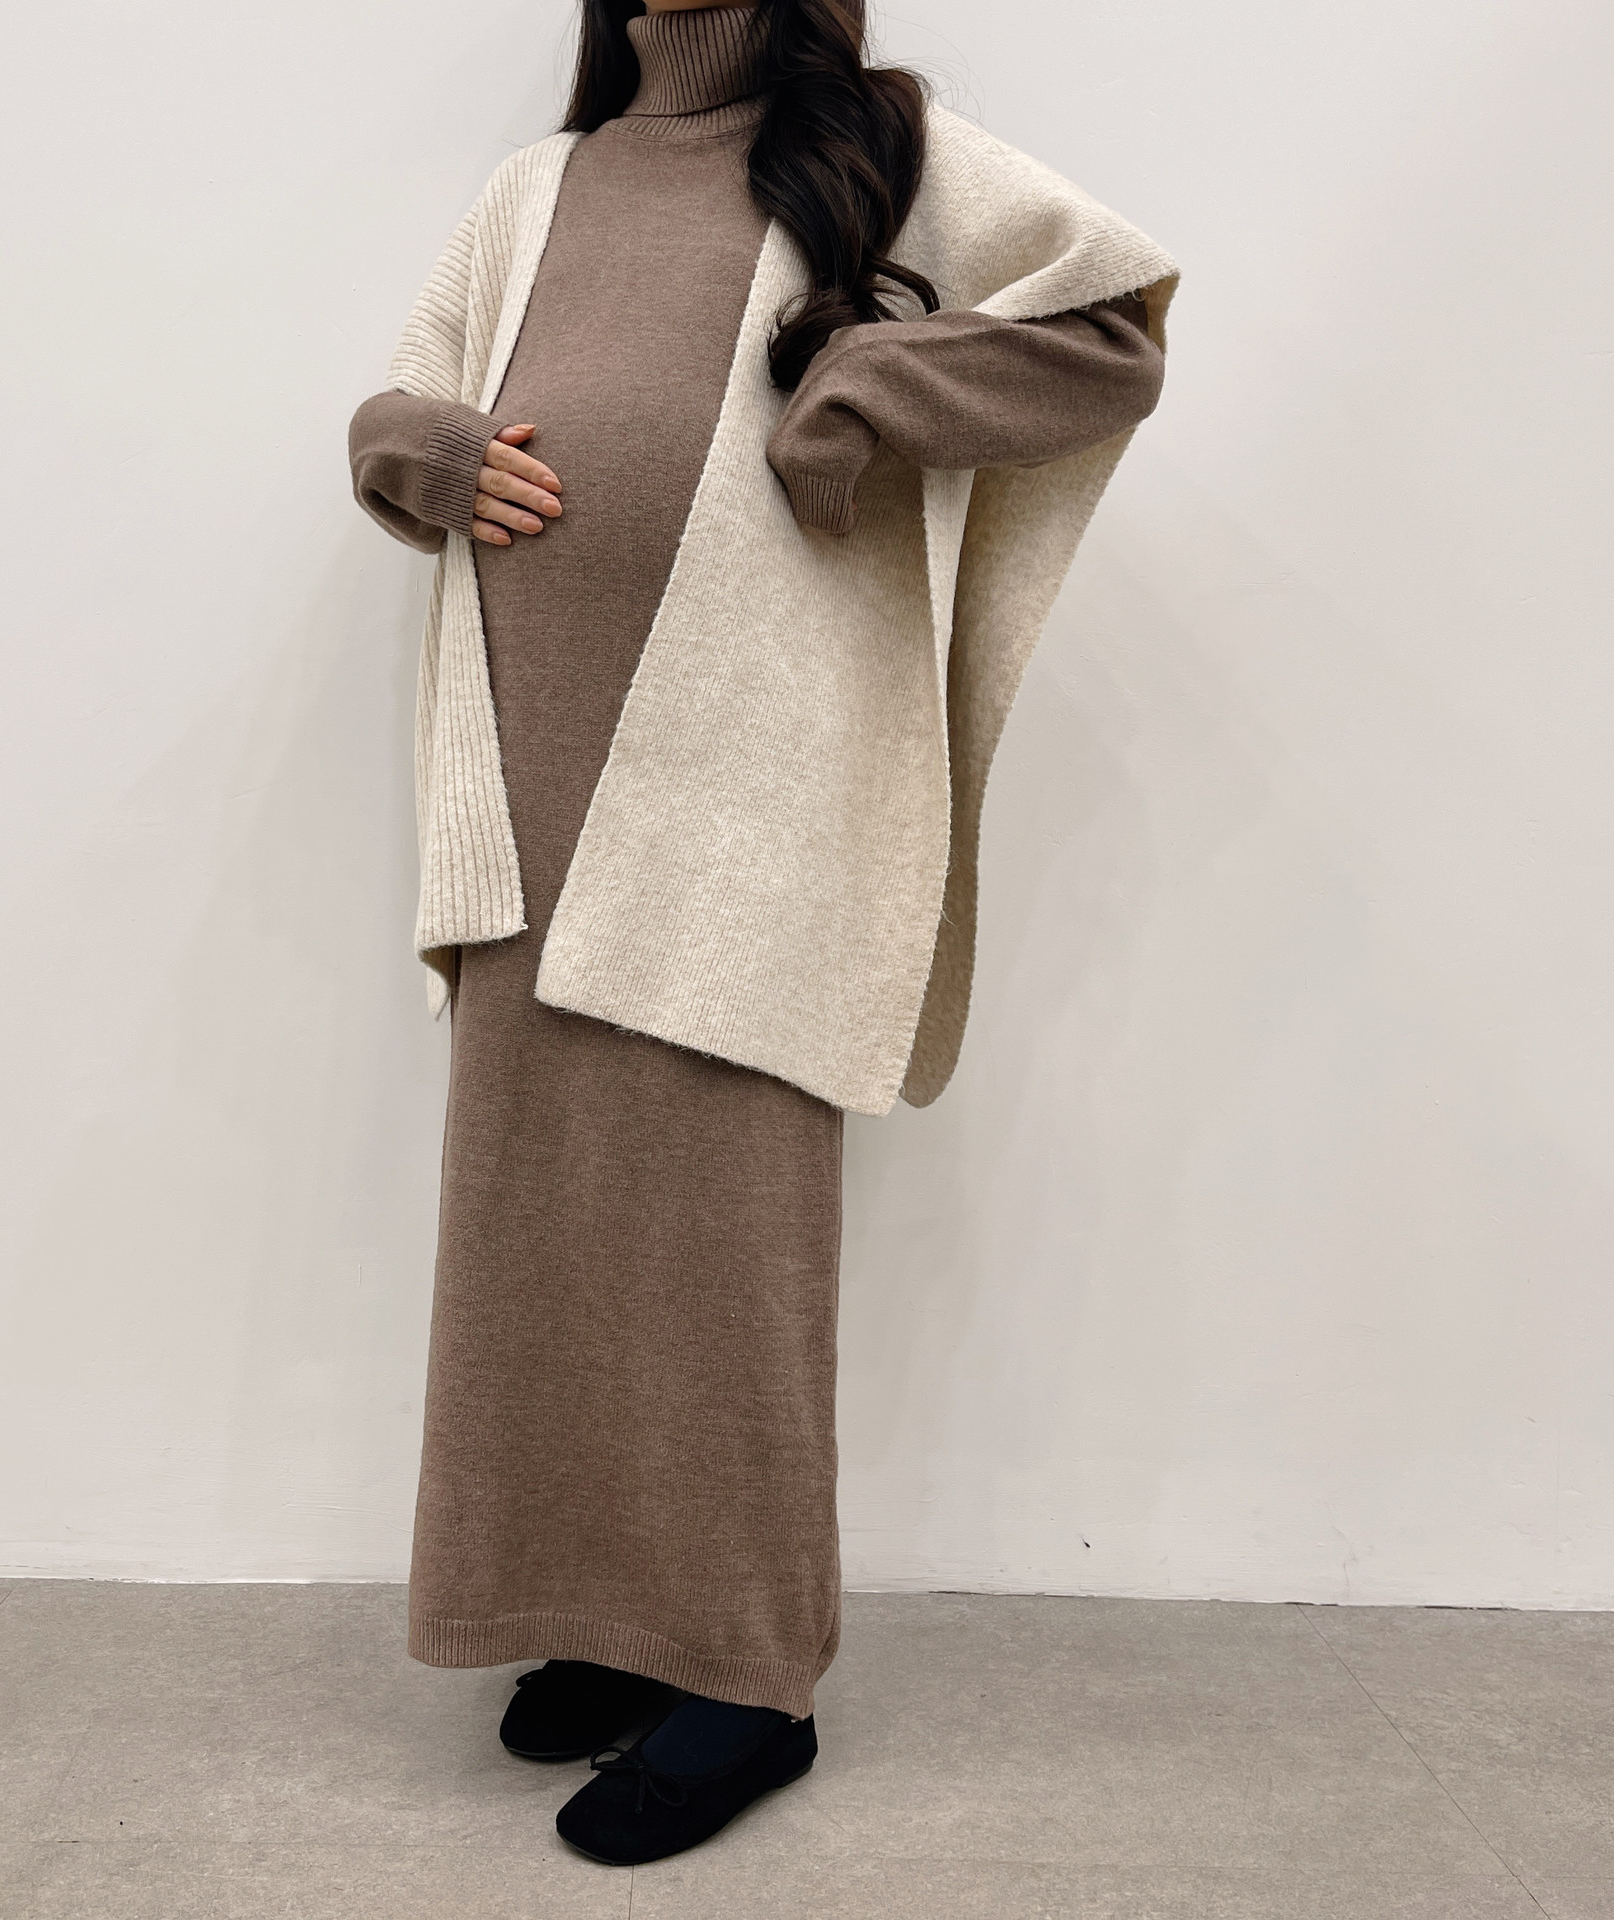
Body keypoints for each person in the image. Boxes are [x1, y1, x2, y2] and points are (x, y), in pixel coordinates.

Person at [347, 0, 1175, 1867]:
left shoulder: (873, 148)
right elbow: (396, 402)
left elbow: (1108, 331)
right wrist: (423, 453)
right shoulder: (537, 186)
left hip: (750, 796)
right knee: (544, 1229)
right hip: (529, 786)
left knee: (723, 1243)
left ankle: (749, 1679)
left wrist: (870, 389)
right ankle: (607, 1616)